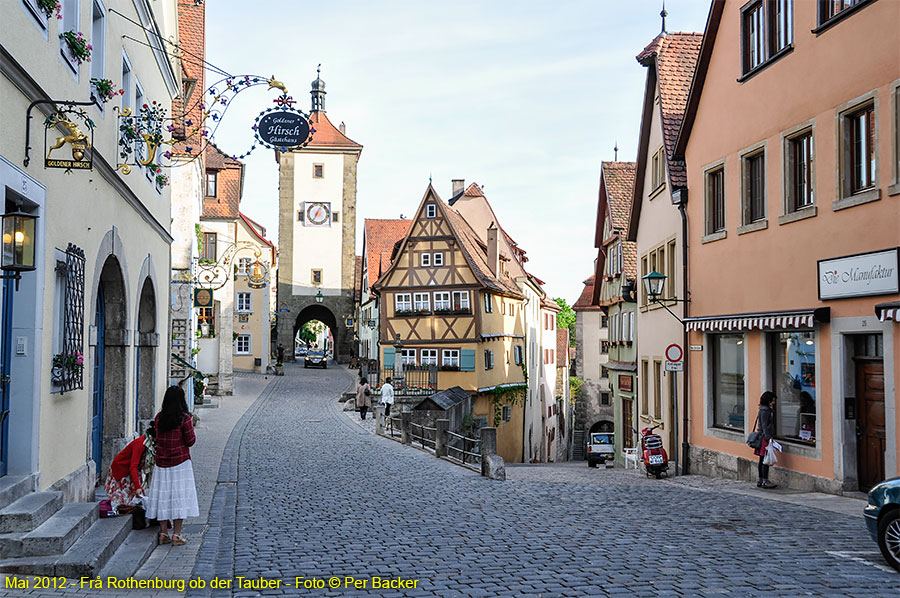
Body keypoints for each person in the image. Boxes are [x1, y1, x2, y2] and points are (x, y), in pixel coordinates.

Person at [146, 386, 199, 546]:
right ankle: (177, 534)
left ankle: (163, 533)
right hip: (180, 463)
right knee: (179, 497)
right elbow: (190, 441)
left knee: (163, 497)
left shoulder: (159, 418)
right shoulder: (184, 419)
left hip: (162, 463)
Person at [104, 423, 156, 512]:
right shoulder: (140, 444)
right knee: (122, 499)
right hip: (122, 470)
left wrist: (138, 486)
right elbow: (133, 466)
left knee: (136, 496)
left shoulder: (150, 445)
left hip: (132, 470)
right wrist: (137, 486)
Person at [754, 391, 777, 489]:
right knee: (765, 460)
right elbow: (764, 426)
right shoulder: (765, 411)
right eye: (773, 400)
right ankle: (764, 480)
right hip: (764, 437)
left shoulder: (763, 409)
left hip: (762, 436)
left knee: (762, 459)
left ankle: (761, 480)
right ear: (769, 400)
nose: (774, 402)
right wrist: (769, 438)